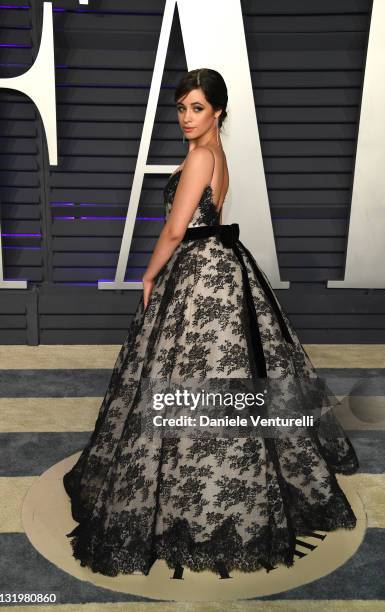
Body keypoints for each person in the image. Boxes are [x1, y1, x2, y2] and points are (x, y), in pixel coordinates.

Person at [63, 68, 359, 579]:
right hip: (224, 266)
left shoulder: (201, 156)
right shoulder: (218, 156)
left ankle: (194, 489)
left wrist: (149, 275)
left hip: (201, 273)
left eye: (196, 107)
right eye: (181, 108)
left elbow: (178, 228)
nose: (186, 117)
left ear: (217, 110)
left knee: (187, 373)